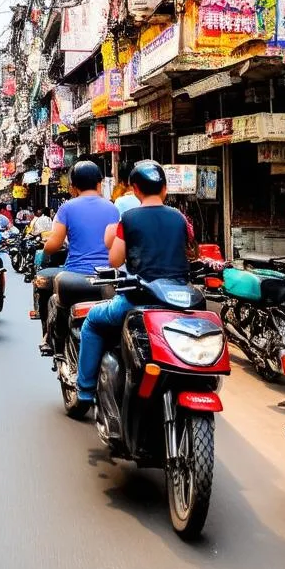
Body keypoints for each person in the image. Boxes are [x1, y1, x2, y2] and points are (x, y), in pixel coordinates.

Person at [75, 162, 190, 404]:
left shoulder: (129, 218)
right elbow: (190, 253)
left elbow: (115, 259)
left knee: (93, 322)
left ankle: (85, 391)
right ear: (165, 189)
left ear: (135, 189)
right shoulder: (179, 218)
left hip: (138, 302)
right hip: (179, 303)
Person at [41, 160, 119, 349]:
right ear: (100, 184)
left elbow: (54, 244)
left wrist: (44, 249)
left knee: (45, 286)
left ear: (73, 187)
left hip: (75, 276)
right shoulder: (112, 208)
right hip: (108, 278)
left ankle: (50, 340)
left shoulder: (67, 208)